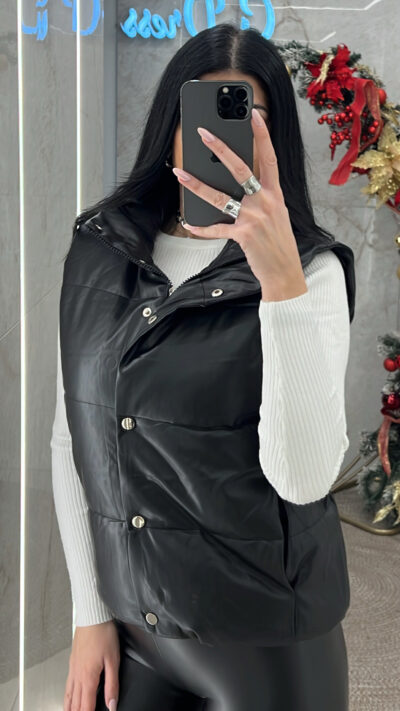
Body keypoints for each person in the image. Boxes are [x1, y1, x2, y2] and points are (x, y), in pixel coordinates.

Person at [51, 23, 355, 711]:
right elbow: (73, 437)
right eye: (203, 112)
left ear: (274, 138)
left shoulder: (312, 271)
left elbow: (303, 478)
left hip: (270, 646)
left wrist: (281, 284)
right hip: (136, 634)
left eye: (244, 117)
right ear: (172, 123)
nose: (217, 138)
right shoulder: (100, 248)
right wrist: (89, 614)